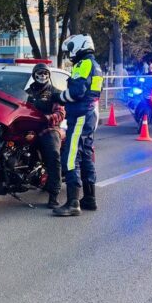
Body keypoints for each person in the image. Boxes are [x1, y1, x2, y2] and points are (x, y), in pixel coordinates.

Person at [53, 33, 103, 217]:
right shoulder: (96, 65)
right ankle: (89, 198)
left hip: (81, 115)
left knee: (70, 156)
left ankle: (73, 202)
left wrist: (57, 96)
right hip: (89, 114)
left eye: (71, 48)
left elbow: (76, 91)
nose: (69, 53)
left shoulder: (84, 64)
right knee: (86, 155)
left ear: (80, 46)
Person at [24, 63, 65, 209]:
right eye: (39, 73)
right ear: (34, 75)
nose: (42, 76)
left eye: (45, 73)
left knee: (53, 155)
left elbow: (60, 113)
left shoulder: (54, 92)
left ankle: (54, 195)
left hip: (48, 129)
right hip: (29, 128)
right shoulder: (28, 92)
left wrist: (47, 118)